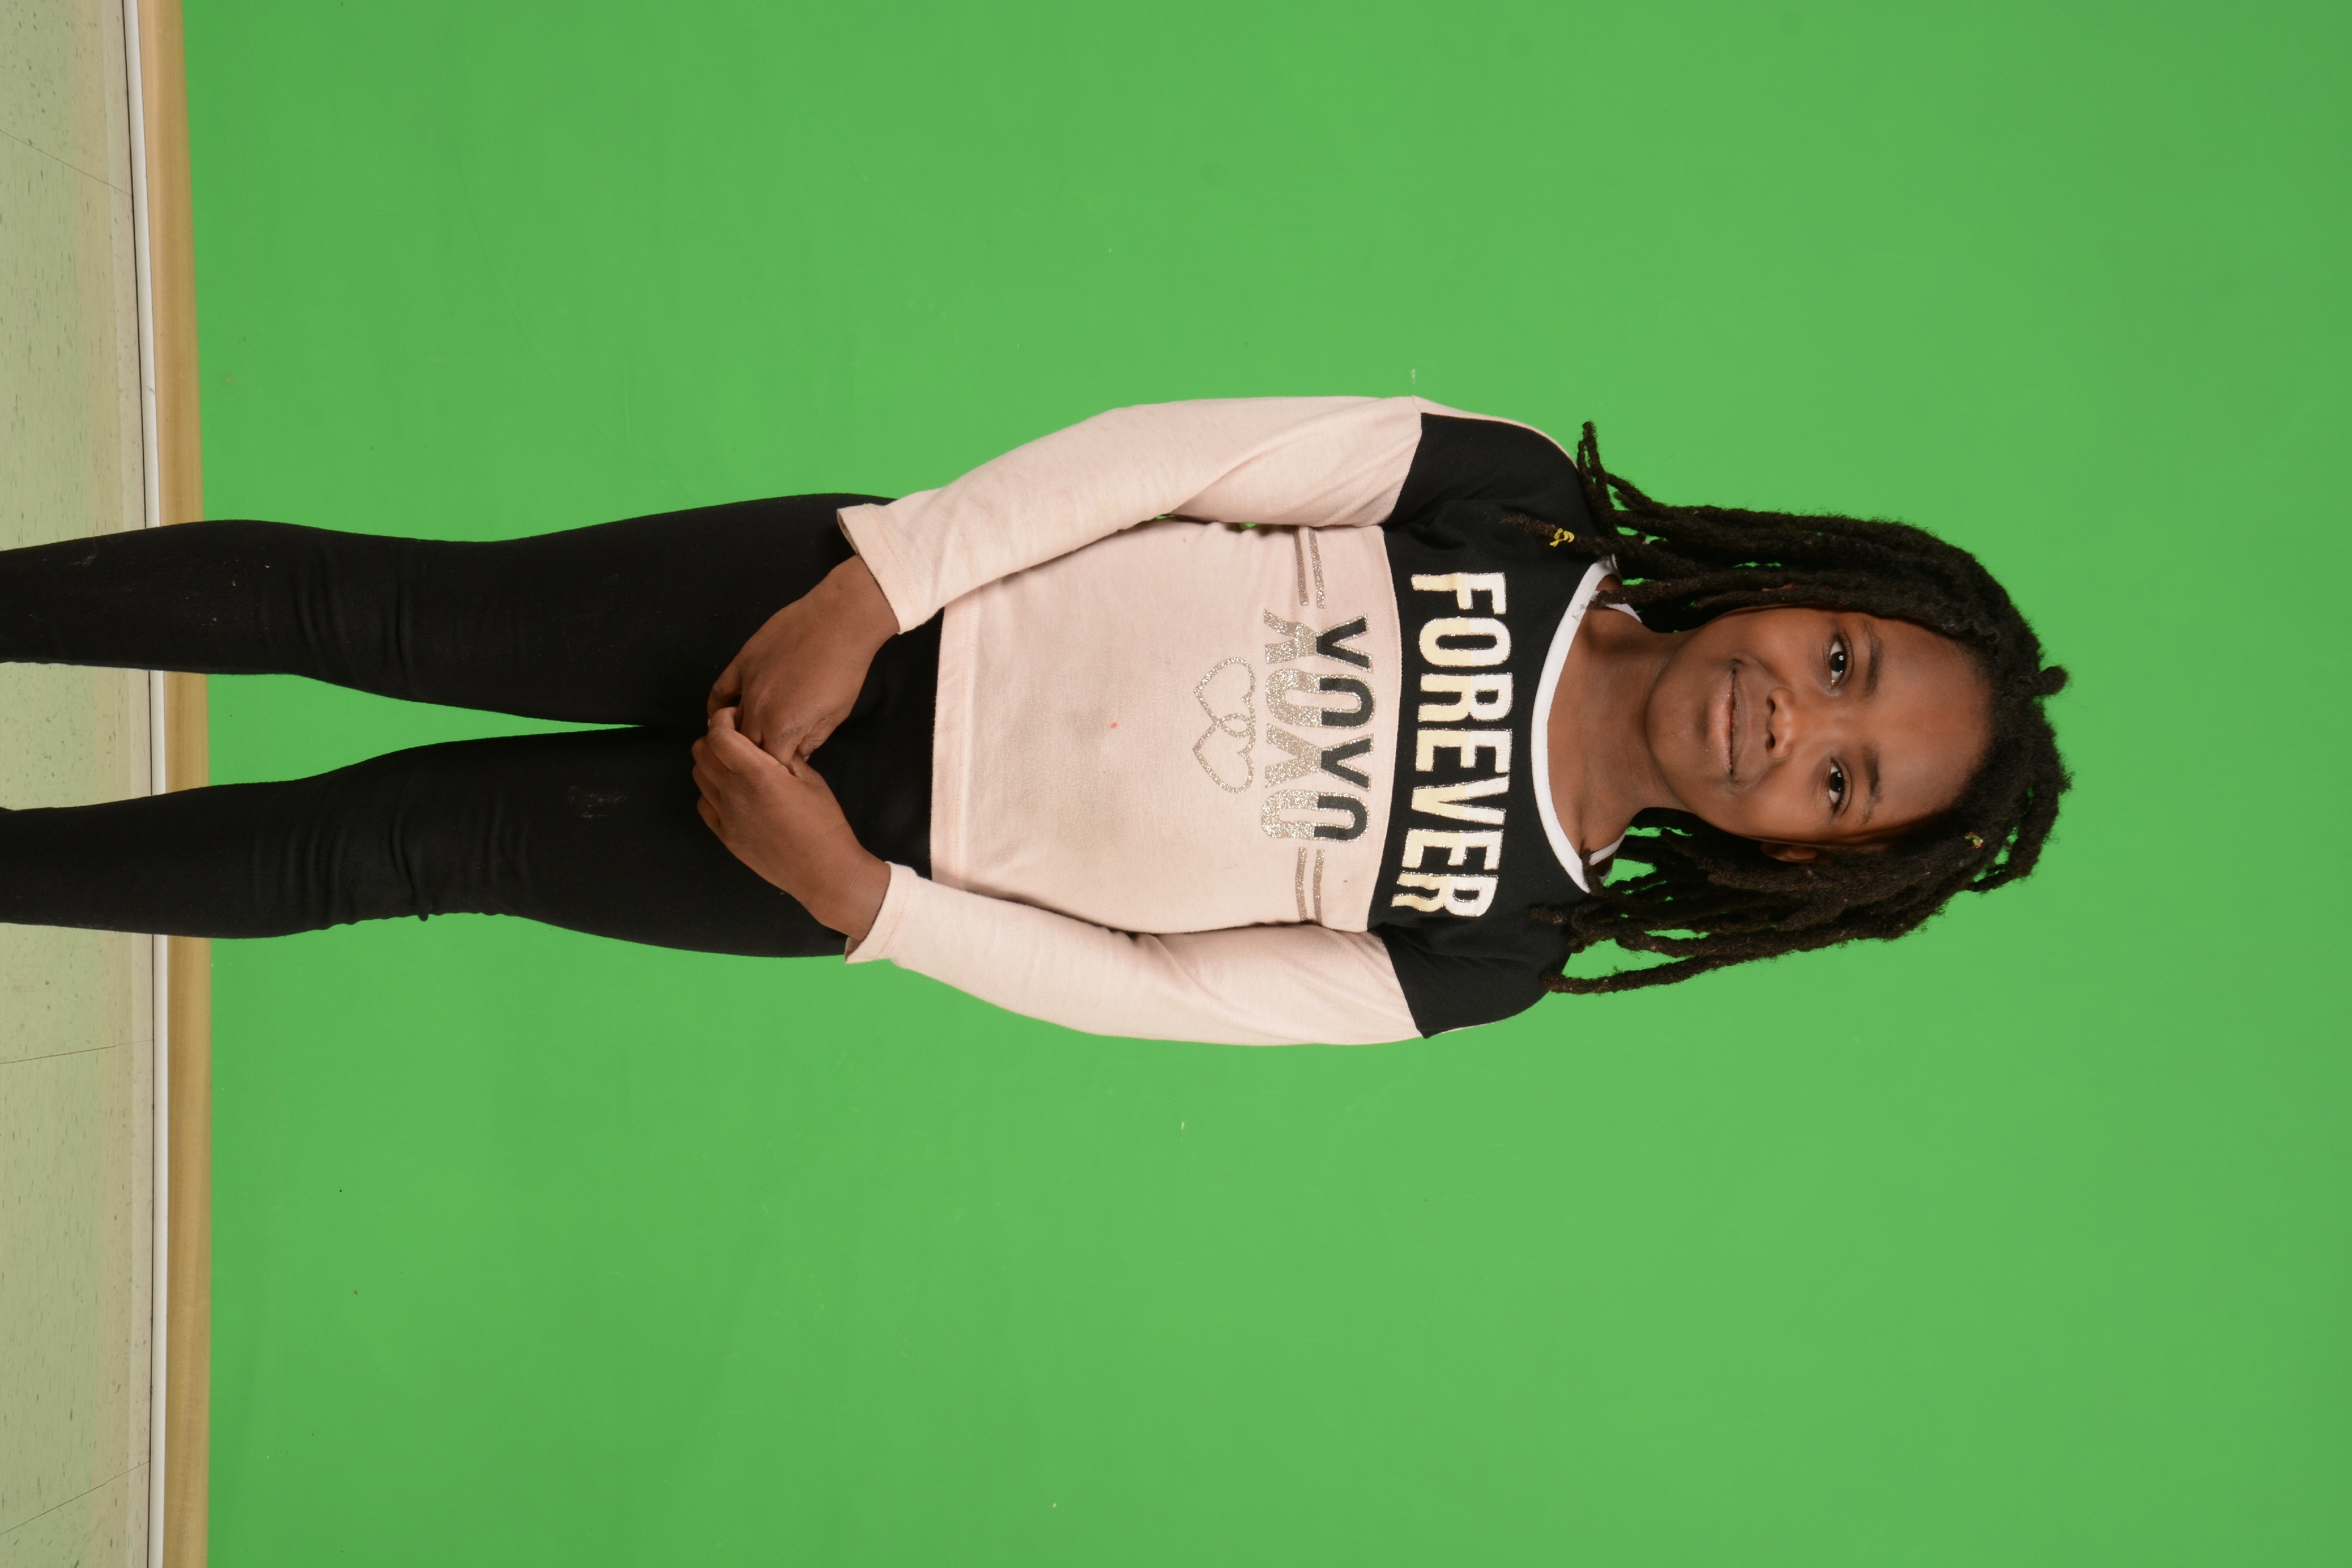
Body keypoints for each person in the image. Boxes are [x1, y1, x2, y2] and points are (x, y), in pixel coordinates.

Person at [0, 397, 2069, 1044]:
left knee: (394, 852)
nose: (1788, 725)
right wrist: (870, 590)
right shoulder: (1510, 504)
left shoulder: (1495, 943)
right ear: (1815, 586)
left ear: (1803, 861)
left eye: (1841, 783)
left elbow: (1161, 992)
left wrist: (861, 904)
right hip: (845, 612)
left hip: (835, 863)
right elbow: (1165, 459)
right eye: (1843, 664)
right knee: (386, 612)